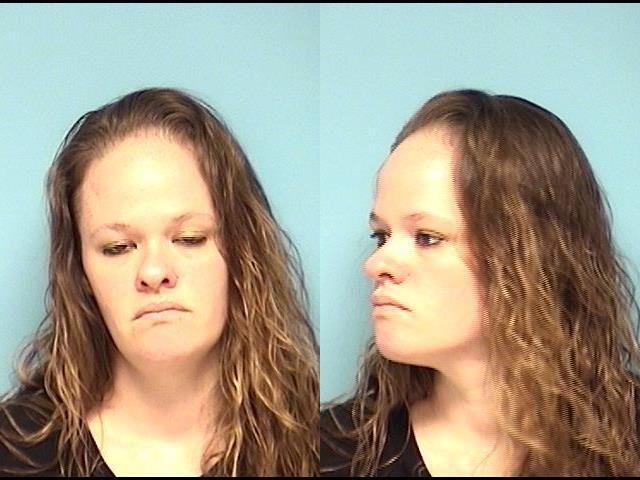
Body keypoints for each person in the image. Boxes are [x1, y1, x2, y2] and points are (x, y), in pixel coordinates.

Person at [320, 89, 640, 476]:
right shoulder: (332, 452)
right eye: (381, 235)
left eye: (427, 237)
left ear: (529, 255)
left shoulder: (629, 439)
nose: (376, 264)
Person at [0, 87, 318, 476]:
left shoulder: (315, 442)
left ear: (242, 252)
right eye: (118, 247)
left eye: (189, 239)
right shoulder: (14, 454)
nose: (153, 272)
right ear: (79, 272)